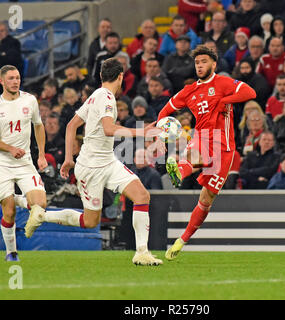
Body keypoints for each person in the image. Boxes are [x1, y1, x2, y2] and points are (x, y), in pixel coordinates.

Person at [155, 45, 256, 260]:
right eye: (197, 63)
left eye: (203, 62)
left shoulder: (224, 83)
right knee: (195, 156)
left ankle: (181, 240)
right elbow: (165, 110)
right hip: (201, 138)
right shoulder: (189, 91)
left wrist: (224, 101)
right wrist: (161, 134)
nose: (199, 66)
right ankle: (178, 173)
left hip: (224, 146)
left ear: (213, 64)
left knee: (206, 199)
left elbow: (250, 92)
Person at [58, 57, 163, 266]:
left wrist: (69, 158)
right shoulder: (105, 97)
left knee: (142, 195)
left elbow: (71, 126)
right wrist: (141, 131)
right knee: (91, 221)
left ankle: (142, 252)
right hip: (90, 167)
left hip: (107, 161)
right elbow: (109, 129)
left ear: (100, 76)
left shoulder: (96, 95)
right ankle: (43, 216)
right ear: (121, 76)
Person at [0, 65, 49, 261]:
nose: (15, 81)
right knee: (9, 212)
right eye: (11, 78)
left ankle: (18, 198)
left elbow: (38, 126)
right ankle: (11, 253)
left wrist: (41, 154)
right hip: (2, 163)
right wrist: (11, 149)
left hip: (25, 161)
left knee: (41, 204)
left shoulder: (30, 100)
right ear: (2, 81)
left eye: (18, 78)